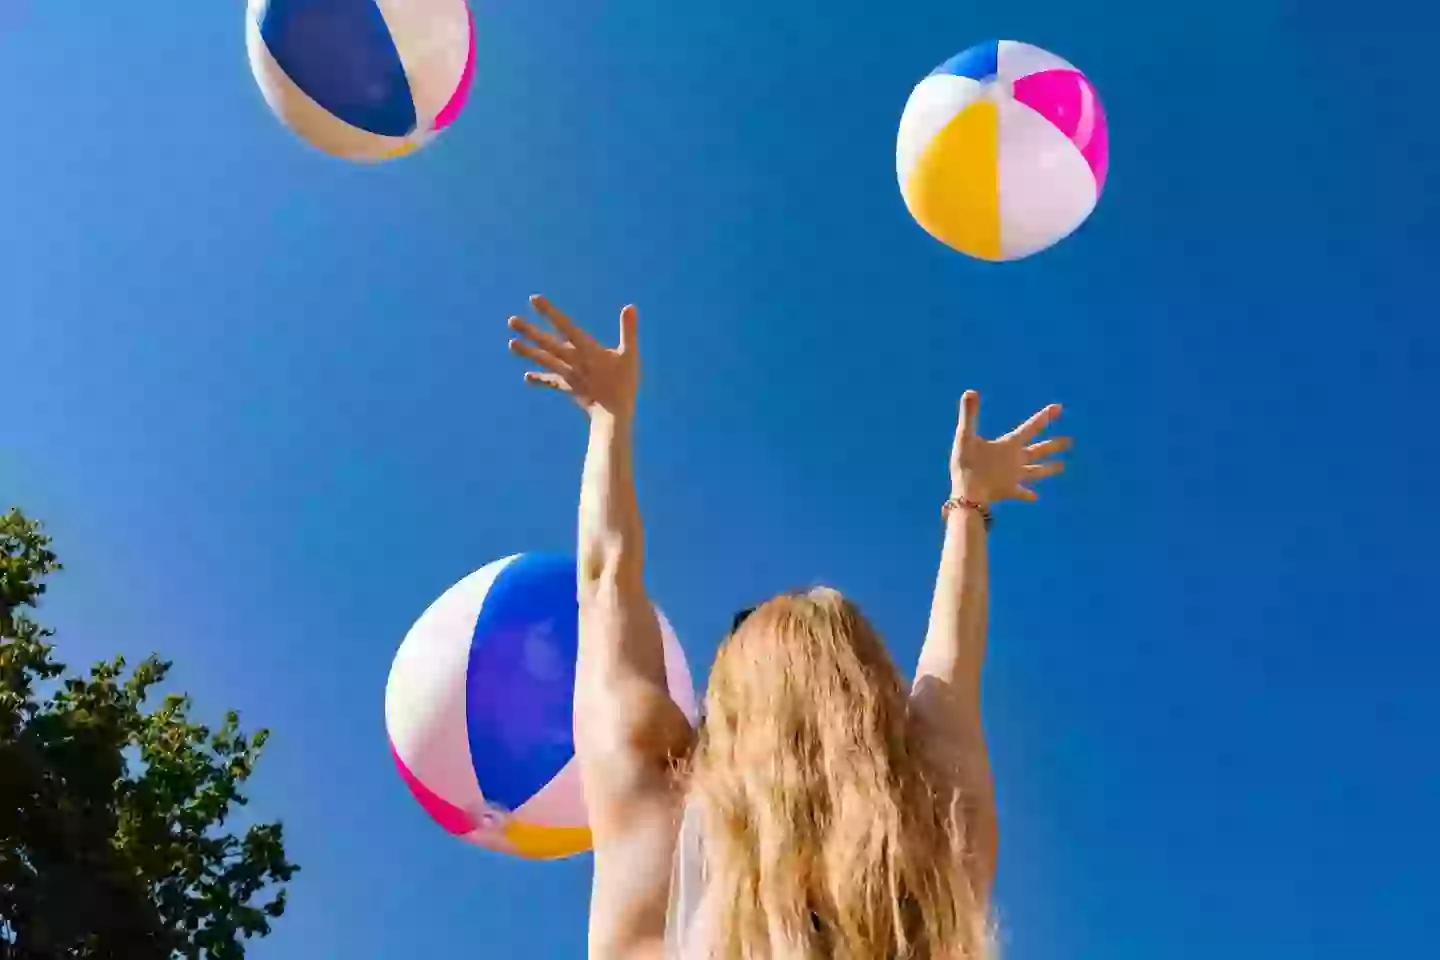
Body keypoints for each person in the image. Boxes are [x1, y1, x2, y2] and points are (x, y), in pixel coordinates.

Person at [507, 295, 1070, 959]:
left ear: (726, 706)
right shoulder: (939, 841)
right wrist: (968, 503)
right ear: (874, 699)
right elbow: (952, 667)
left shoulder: (655, 816)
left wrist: (609, 418)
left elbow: (605, 586)